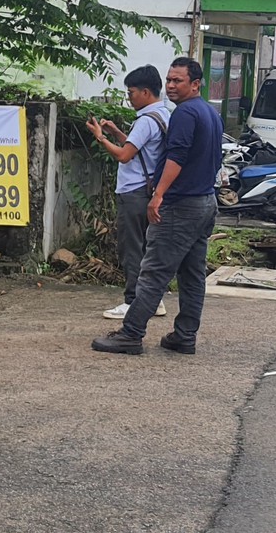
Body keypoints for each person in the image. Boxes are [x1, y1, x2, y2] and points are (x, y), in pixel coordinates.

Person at [92, 57, 223, 356]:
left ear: (195, 84)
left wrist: (158, 195)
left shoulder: (185, 114)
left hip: (181, 204)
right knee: (191, 275)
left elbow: (176, 157)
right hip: (204, 201)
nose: (172, 86)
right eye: (169, 80)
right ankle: (184, 335)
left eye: (178, 81)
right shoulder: (210, 113)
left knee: (153, 272)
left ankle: (131, 334)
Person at [85, 65, 172, 321]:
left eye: (131, 92)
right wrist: (116, 133)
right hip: (148, 190)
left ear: (145, 92)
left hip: (133, 192)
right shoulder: (162, 114)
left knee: (132, 248)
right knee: (148, 248)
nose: (129, 97)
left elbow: (124, 156)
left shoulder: (146, 120)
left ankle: (133, 301)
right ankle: (153, 300)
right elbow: (140, 149)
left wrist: (101, 138)